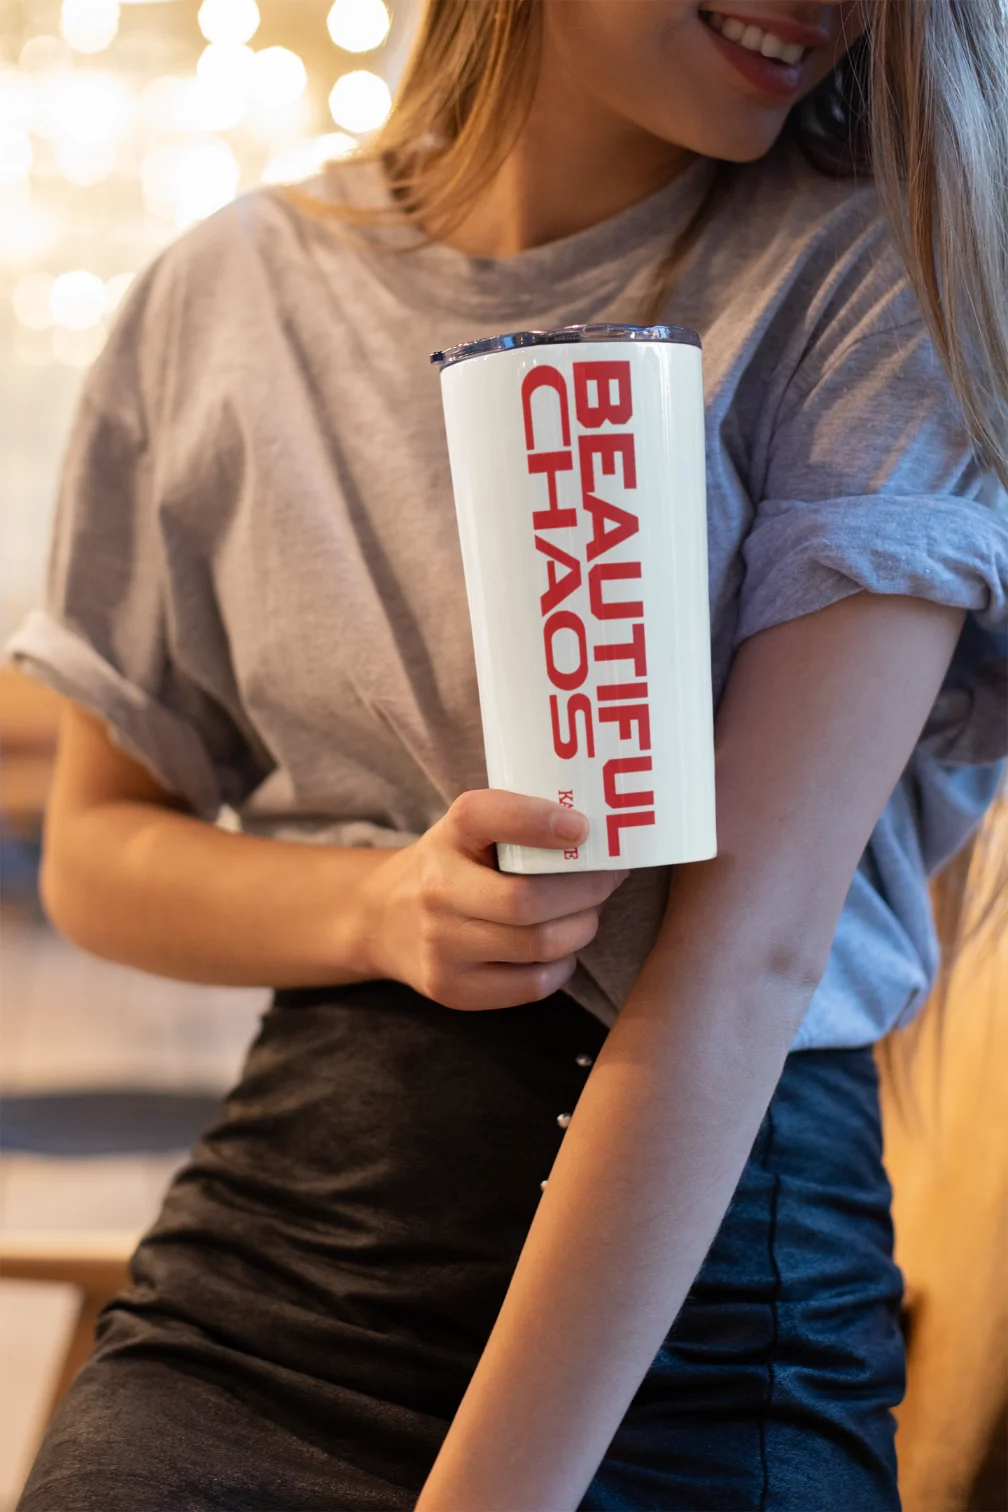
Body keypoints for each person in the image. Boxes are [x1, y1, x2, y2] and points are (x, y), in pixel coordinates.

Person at [8, 1, 1008, 1508]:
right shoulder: (221, 298)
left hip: (705, 1312)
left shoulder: (877, 279)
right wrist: (373, 908)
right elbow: (95, 845)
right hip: (278, 1276)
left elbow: (746, 960)